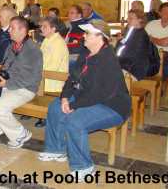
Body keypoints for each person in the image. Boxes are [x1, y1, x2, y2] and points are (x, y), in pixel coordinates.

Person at [39, 19, 130, 182]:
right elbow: (71, 79)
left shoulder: (108, 59)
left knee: (75, 121)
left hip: (112, 106)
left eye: (87, 33)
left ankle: (84, 166)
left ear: (100, 37)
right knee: (55, 106)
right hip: (87, 97)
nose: (83, 36)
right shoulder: (85, 53)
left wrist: (74, 105)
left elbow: (100, 93)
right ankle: (56, 149)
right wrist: (65, 97)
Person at [0, 16, 42, 149]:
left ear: (23, 30)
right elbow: (6, 66)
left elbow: (32, 78)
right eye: (9, 27)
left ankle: (21, 134)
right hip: (7, 84)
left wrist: (7, 84)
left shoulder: (33, 50)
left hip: (25, 89)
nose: (9, 30)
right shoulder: (12, 46)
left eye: (12, 28)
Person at [35, 16, 69, 127]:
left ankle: (45, 114)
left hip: (54, 80)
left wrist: (35, 70)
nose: (41, 29)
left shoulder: (58, 43)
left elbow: (53, 67)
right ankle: (35, 110)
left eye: (45, 27)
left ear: (54, 29)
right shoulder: (48, 39)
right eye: (41, 26)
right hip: (44, 75)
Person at [145, 3, 168, 84]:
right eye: (165, 12)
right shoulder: (152, 24)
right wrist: (155, 40)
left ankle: (159, 88)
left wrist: (152, 38)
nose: (167, 15)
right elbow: (144, 40)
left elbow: (165, 43)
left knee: (166, 68)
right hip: (151, 55)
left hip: (167, 56)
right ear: (160, 13)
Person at [115, 9, 152, 80]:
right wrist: (119, 41)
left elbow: (131, 56)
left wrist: (116, 61)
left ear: (140, 20)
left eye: (130, 18)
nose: (127, 20)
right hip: (124, 66)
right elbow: (120, 49)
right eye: (128, 18)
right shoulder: (131, 31)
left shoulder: (142, 36)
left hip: (133, 71)